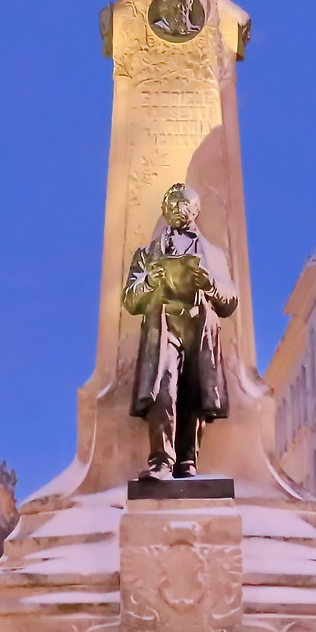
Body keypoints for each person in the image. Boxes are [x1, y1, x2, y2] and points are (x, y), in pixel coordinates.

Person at [123, 183, 238, 479]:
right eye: (171, 204)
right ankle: (161, 459)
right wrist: (149, 281)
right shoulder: (147, 253)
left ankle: (188, 460)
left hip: (199, 324)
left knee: (194, 391)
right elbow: (130, 299)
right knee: (163, 388)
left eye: (182, 203)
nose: (176, 209)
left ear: (196, 210)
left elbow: (230, 300)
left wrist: (209, 284)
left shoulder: (214, 254)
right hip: (163, 326)